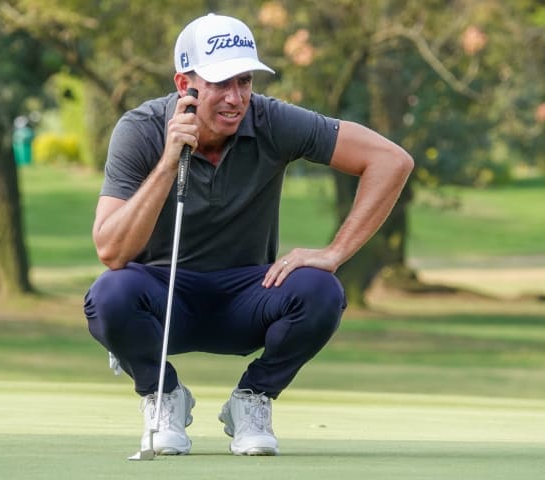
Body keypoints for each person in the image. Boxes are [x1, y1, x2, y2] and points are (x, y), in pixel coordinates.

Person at [83, 13, 414, 456]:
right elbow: (110, 249)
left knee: (320, 289)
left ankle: (252, 400)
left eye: (245, 81)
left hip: (247, 299)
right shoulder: (140, 130)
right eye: (221, 83)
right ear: (185, 85)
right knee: (108, 295)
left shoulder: (272, 120)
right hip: (164, 304)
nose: (236, 98)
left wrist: (335, 253)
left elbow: (391, 161)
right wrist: (167, 162)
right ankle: (163, 396)